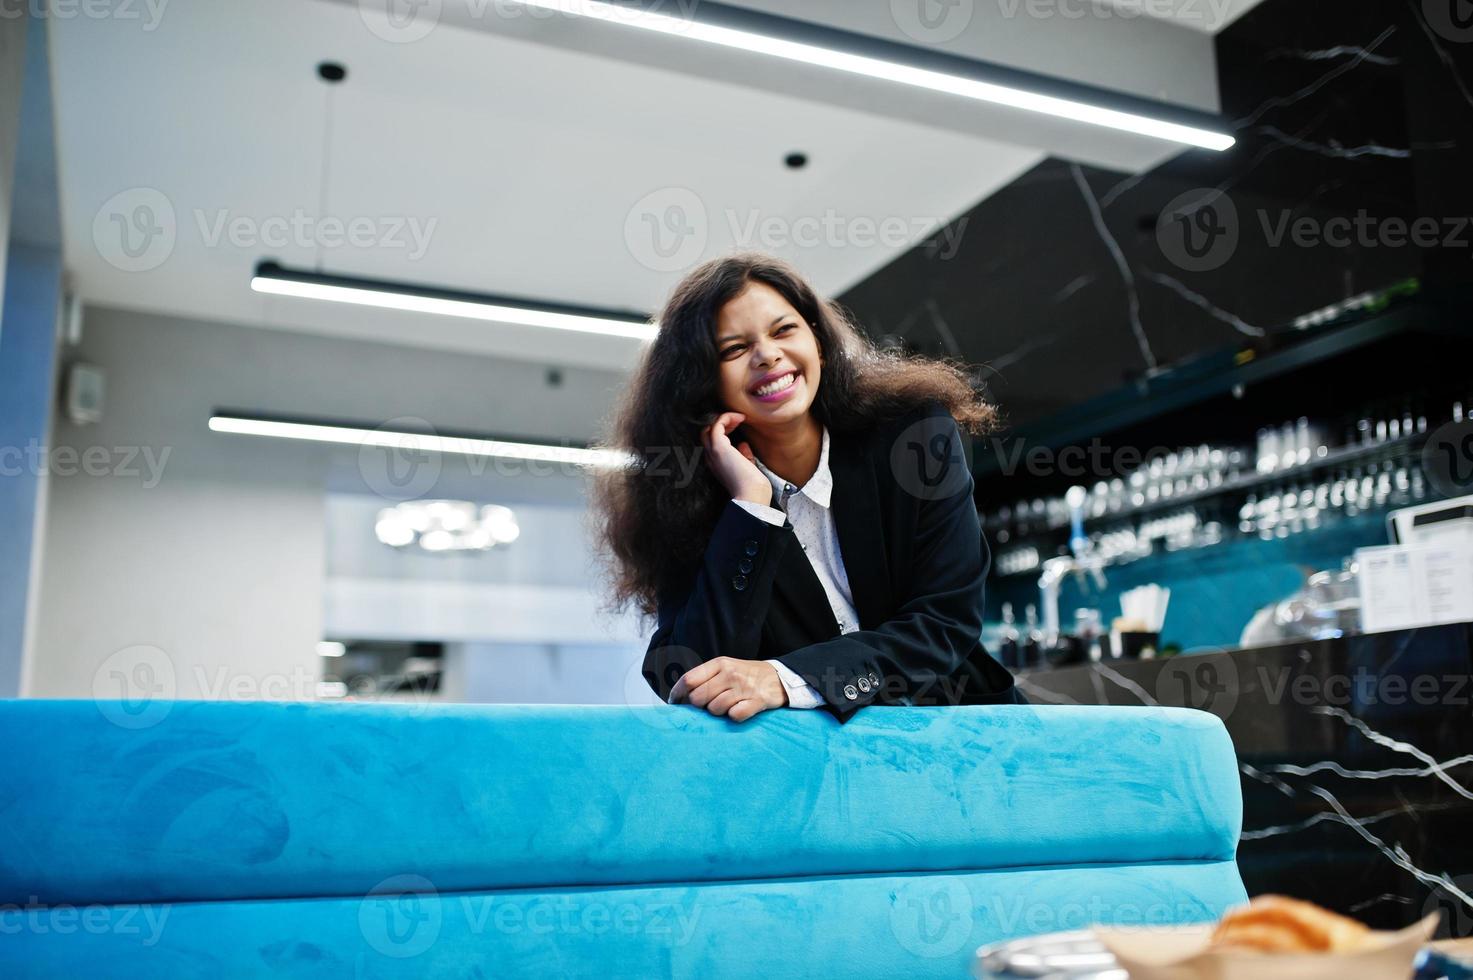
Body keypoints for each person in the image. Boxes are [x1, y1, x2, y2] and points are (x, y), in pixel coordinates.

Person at [593, 252, 1022, 725]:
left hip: (958, 735)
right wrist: (749, 513)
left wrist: (788, 678)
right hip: (807, 768)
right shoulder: (690, 501)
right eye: (734, 349)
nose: (767, 355)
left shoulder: (913, 435)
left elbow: (945, 620)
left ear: (817, 341)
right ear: (703, 382)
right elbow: (690, 671)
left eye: (783, 331)